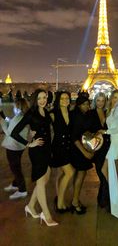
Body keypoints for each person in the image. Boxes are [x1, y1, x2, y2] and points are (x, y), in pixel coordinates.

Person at [11, 89, 58, 226]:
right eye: (39, 98)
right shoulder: (31, 114)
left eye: (44, 97)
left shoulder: (46, 112)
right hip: (37, 151)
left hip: (47, 149)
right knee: (41, 182)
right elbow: (14, 132)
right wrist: (29, 144)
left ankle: (31, 206)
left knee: (44, 180)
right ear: (35, 100)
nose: (42, 100)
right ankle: (46, 215)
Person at [101, 90, 118, 221]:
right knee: (107, 170)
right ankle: (115, 196)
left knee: (108, 170)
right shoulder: (111, 110)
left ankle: (116, 198)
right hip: (113, 141)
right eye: (114, 97)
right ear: (111, 98)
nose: (116, 100)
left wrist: (104, 131)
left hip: (117, 142)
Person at [50, 91, 75, 213]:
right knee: (70, 172)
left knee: (61, 174)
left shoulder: (71, 113)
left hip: (68, 148)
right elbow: (41, 122)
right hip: (59, 147)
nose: (65, 100)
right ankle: (60, 203)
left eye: (67, 98)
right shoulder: (53, 114)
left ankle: (60, 199)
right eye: (62, 98)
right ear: (58, 100)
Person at [1, 98, 29, 199]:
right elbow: (11, 122)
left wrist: (1, 121)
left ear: (18, 106)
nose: (13, 108)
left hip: (14, 146)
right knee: (16, 166)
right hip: (18, 146)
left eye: (14, 106)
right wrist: (3, 117)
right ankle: (15, 184)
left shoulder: (19, 117)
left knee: (15, 168)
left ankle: (22, 190)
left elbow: (9, 132)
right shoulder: (21, 116)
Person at [70, 92, 93, 215]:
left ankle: (76, 198)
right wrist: (85, 152)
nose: (86, 106)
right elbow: (74, 137)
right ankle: (74, 201)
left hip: (83, 149)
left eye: (87, 104)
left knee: (80, 175)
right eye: (84, 104)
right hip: (80, 150)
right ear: (78, 105)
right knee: (80, 174)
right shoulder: (77, 117)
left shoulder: (85, 114)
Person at [89, 92, 110, 208]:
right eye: (98, 100)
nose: (100, 103)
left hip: (108, 147)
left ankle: (103, 198)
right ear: (95, 101)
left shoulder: (108, 113)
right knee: (102, 173)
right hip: (97, 148)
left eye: (102, 101)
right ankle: (104, 198)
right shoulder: (91, 114)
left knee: (106, 174)